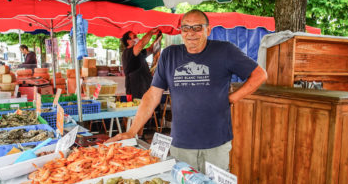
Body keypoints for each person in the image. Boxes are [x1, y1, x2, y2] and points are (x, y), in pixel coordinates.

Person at [108, 10, 267, 171]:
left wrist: (231, 98)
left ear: (208, 30)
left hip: (216, 143)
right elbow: (152, 95)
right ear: (181, 32)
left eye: (197, 28)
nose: (191, 33)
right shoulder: (169, 55)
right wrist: (132, 131)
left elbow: (259, 75)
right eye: (186, 28)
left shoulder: (225, 51)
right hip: (181, 145)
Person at [121, 29, 162, 99]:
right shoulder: (127, 52)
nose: (137, 38)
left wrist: (158, 37)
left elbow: (151, 49)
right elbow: (142, 43)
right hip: (136, 90)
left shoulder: (139, 52)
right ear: (128, 41)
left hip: (145, 87)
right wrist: (151, 32)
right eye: (134, 36)